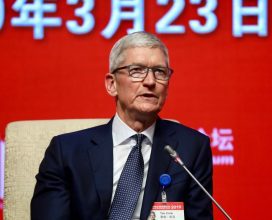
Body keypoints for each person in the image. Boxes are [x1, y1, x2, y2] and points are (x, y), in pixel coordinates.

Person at [31, 31, 213, 220]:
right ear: (112, 84)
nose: (150, 81)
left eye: (160, 72)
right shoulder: (67, 151)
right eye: (136, 70)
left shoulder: (191, 148)